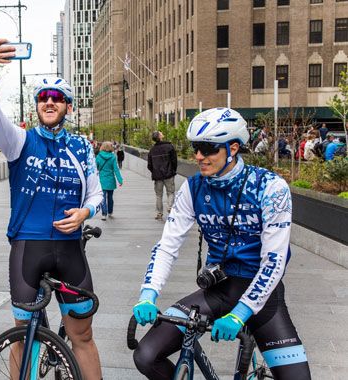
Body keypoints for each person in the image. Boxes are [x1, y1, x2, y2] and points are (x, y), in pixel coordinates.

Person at [132, 108, 311, 380]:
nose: (199, 156)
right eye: (196, 148)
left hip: (262, 295)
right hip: (218, 289)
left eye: (208, 148)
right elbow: (168, 245)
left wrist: (240, 313)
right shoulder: (192, 188)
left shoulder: (270, 187)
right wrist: (148, 293)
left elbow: (274, 260)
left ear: (234, 148)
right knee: (146, 356)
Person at [0, 38, 103, 379]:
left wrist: (84, 214)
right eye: (43, 98)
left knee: (83, 335)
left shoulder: (81, 147)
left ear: (69, 107)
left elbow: (95, 195)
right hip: (27, 250)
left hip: (70, 250)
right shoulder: (19, 140)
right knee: (24, 338)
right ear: (36, 107)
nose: (49, 101)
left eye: (57, 98)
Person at [147, 131, 177, 220]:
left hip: (157, 176)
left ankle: (159, 213)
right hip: (169, 174)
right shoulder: (169, 147)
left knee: (159, 195)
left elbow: (149, 165)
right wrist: (172, 171)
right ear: (160, 137)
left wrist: (155, 171)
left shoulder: (152, 150)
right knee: (170, 192)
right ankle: (170, 207)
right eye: (161, 133)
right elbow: (174, 161)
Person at [96, 141, 123, 220]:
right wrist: (120, 180)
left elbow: (95, 168)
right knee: (110, 198)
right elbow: (116, 169)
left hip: (102, 180)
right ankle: (110, 212)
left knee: (103, 198)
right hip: (111, 180)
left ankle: (104, 214)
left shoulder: (98, 156)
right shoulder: (113, 157)